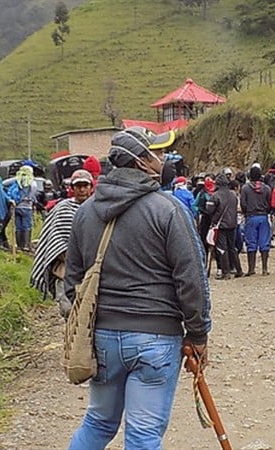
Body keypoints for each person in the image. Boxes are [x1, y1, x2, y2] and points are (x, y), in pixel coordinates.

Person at [65, 127, 211, 449]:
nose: (163, 159)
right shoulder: (168, 209)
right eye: (157, 154)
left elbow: (72, 282)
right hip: (155, 339)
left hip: (102, 339)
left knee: (98, 423)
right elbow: (191, 279)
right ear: (142, 161)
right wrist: (198, 334)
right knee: (143, 435)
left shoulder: (85, 213)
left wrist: (83, 324)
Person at [30, 169, 94, 316]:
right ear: (72, 188)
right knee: (69, 310)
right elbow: (55, 239)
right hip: (67, 269)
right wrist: (72, 258)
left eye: (85, 185)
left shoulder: (97, 209)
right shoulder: (62, 209)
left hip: (92, 269)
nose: (82, 189)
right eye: (78, 186)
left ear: (91, 187)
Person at [206, 173, 242, 279]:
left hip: (220, 225)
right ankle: (238, 269)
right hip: (233, 224)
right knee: (232, 247)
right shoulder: (233, 194)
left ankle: (225, 272)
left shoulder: (215, 196)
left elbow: (209, 210)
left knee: (222, 248)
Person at [240, 165, 272, 276]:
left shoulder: (245, 188)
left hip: (251, 217)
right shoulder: (267, 188)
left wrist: (246, 212)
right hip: (263, 217)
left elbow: (243, 204)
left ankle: (251, 269)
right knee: (264, 243)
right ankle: (264, 268)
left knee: (251, 243)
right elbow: (270, 204)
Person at [6, 165, 38, 252]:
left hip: (16, 206)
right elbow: (33, 193)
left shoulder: (17, 180)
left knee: (18, 226)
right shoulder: (32, 182)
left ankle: (19, 246)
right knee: (27, 226)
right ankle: (26, 245)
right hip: (27, 207)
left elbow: (4, 183)